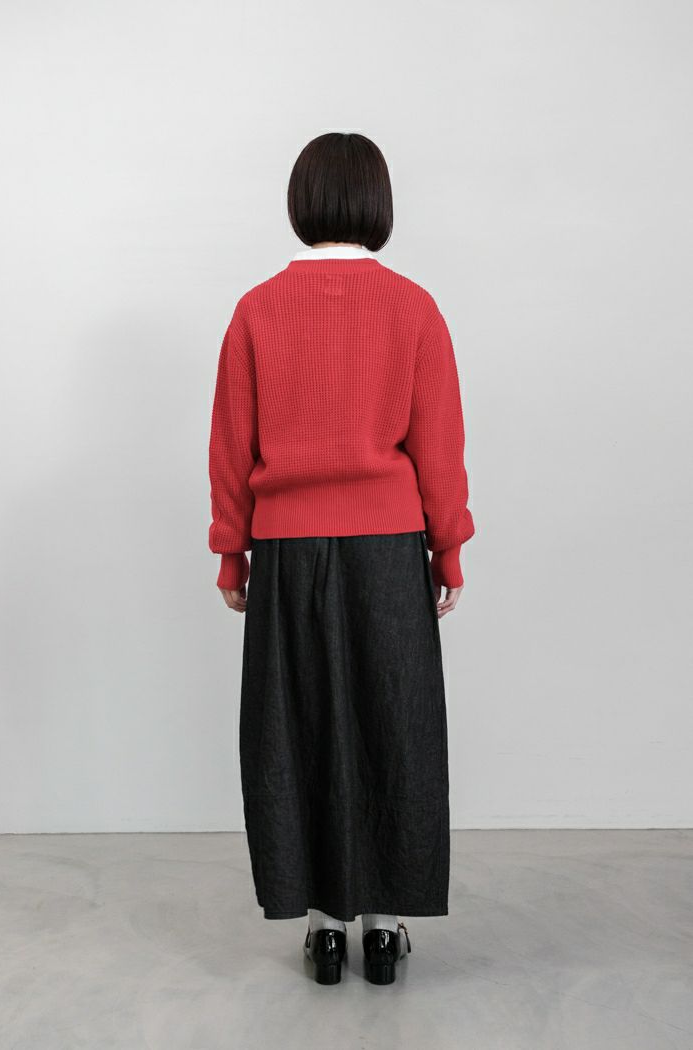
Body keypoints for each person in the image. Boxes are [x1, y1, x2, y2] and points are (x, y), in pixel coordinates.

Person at [208, 132, 475, 985]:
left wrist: (231, 555)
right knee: (394, 724)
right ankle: (383, 930)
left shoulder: (257, 309)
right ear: (378, 205)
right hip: (388, 548)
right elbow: (439, 444)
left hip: (287, 552)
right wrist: (448, 547)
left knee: (296, 730)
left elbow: (231, 445)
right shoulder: (414, 307)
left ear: (301, 201)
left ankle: (323, 927)